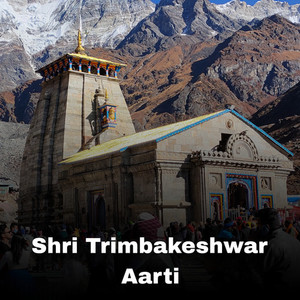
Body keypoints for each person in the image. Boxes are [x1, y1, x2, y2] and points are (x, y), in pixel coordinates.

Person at [255, 208, 300, 290]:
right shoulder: (295, 241)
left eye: (259, 224)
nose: (257, 227)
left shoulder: (271, 246)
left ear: (266, 227)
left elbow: (259, 273)